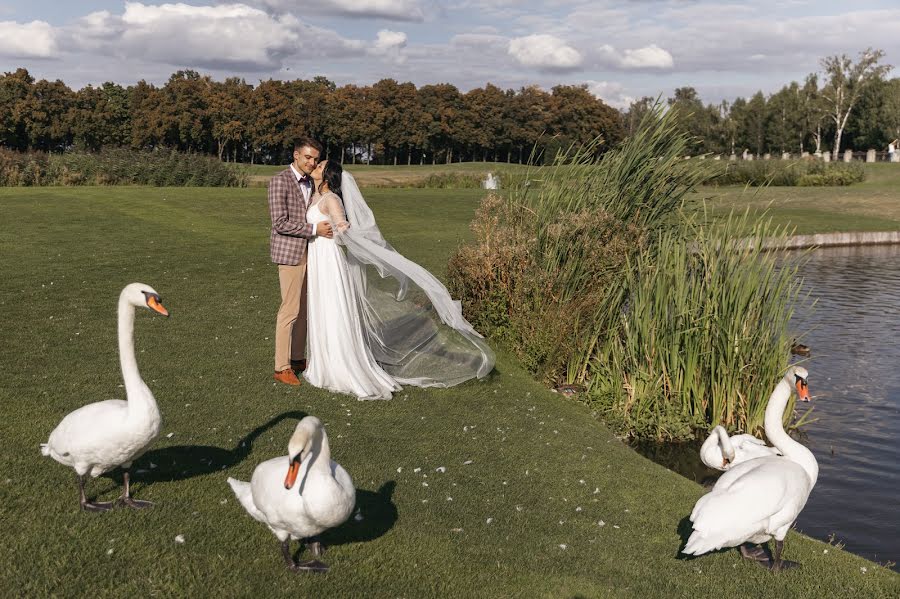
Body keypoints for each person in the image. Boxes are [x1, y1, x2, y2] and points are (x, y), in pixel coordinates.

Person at [303, 160, 494, 399]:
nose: (315, 168)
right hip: (318, 260)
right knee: (321, 309)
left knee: (333, 309)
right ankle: (323, 363)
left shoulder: (331, 199)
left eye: (320, 167)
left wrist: (342, 229)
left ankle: (341, 366)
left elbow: (342, 229)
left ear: (328, 178)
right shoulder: (313, 198)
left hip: (329, 260)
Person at [268, 138, 333, 386]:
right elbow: (280, 223)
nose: (312, 162)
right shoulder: (279, 181)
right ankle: (281, 367)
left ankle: (297, 359)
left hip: (313, 254)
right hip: (290, 254)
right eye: (307, 157)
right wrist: (314, 229)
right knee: (290, 310)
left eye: (315, 158)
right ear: (296, 155)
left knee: (305, 311)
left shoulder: (312, 183)